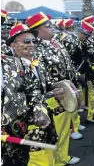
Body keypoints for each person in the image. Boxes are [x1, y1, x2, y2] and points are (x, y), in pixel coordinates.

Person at [26, 12, 80, 165]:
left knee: (63, 129)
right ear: (37, 30)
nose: (52, 28)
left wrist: (72, 84)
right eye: (47, 26)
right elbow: (40, 77)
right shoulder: (35, 49)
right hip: (52, 96)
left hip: (64, 92)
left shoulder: (55, 43)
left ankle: (63, 157)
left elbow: (67, 64)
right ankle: (57, 161)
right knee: (54, 131)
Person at [7, 23, 62, 166]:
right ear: (13, 45)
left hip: (46, 123)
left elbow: (44, 88)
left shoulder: (38, 64)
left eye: (34, 41)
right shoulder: (10, 70)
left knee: (50, 158)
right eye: (26, 41)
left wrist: (59, 89)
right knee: (38, 161)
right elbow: (17, 102)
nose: (32, 44)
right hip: (29, 131)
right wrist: (49, 96)